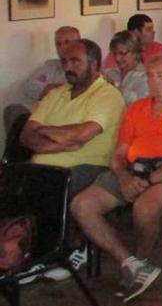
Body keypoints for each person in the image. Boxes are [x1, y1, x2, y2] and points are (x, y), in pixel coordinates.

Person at [71, 55, 162, 302]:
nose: (153, 82)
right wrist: (123, 177)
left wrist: (152, 178)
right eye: (150, 76)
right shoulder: (137, 109)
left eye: (160, 76)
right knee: (82, 205)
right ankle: (131, 263)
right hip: (134, 170)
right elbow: (119, 154)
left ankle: (141, 259)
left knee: (145, 207)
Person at [20, 39, 125, 195]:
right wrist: (60, 145)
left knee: (43, 190)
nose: (67, 67)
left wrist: (42, 130)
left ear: (94, 64)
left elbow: (81, 135)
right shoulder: (55, 94)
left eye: (75, 61)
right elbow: (26, 136)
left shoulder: (108, 95)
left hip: (87, 168)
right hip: (41, 168)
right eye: (65, 61)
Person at [103, 31, 150, 106]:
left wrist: (113, 85)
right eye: (115, 53)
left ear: (135, 52)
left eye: (122, 53)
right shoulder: (110, 73)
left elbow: (139, 103)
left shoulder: (146, 76)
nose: (117, 58)